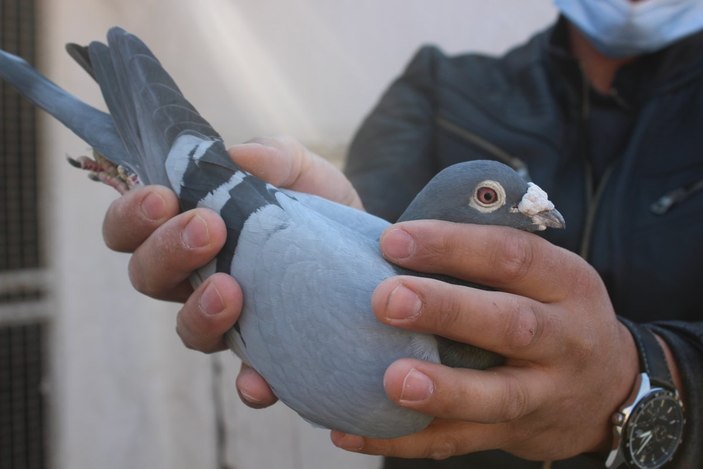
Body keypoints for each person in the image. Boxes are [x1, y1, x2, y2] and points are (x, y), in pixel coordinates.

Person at [101, 0, 703, 467]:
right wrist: (329, 255)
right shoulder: (439, 88)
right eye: (490, 197)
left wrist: (642, 380)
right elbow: (379, 239)